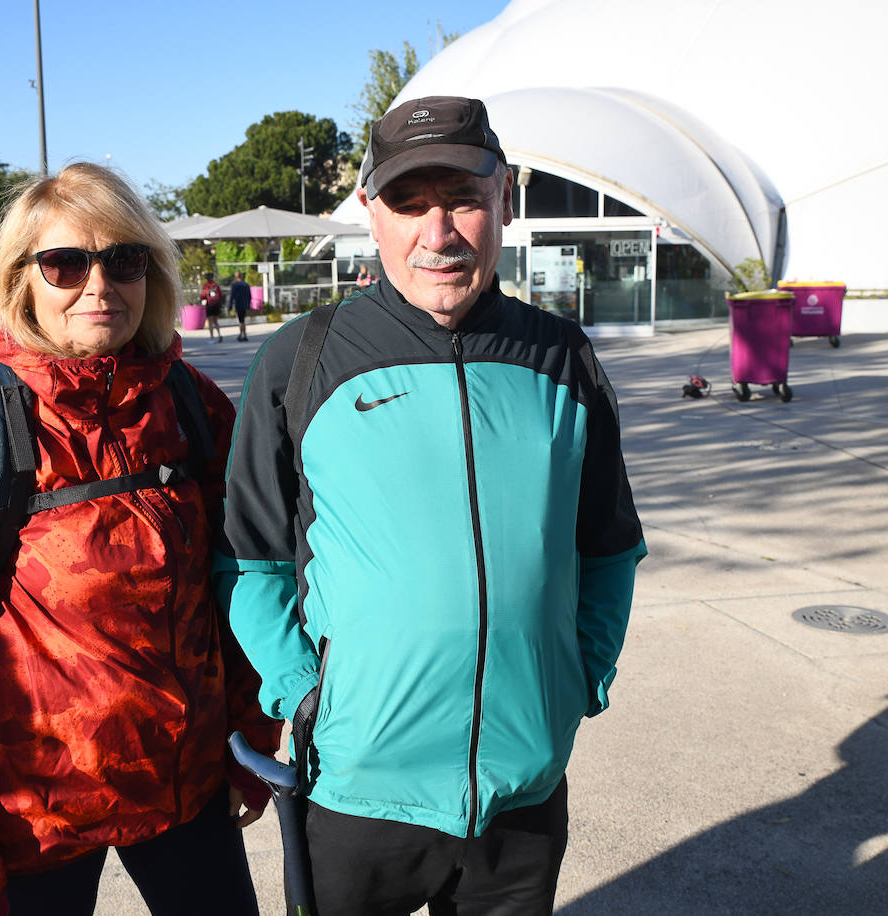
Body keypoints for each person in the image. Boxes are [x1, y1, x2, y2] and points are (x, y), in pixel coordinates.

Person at [219, 96, 647, 916]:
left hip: (522, 795)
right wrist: (305, 698)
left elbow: (610, 546)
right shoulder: (299, 360)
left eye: (462, 198)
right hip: (354, 792)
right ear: (370, 213)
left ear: (505, 200)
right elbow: (252, 562)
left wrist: (577, 680)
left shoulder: (563, 359)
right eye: (410, 203)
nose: (438, 231)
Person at [0, 161, 280, 916]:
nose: (99, 286)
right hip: (34, 818)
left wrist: (250, 743)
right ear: (22, 279)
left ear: (151, 274)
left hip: (187, 791)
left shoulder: (191, 405)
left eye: (124, 259)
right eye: (66, 263)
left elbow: (244, 582)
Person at [200, 271, 224, 342]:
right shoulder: (216, 285)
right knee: (216, 321)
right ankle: (219, 334)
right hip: (216, 305)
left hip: (209, 305)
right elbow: (221, 295)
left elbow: (202, 296)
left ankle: (212, 337)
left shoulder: (205, 286)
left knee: (210, 322)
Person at [228, 271, 250, 342]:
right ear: (242, 276)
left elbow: (232, 296)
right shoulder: (246, 285)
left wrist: (230, 305)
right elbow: (249, 296)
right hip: (244, 304)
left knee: (241, 321)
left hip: (238, 304)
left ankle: (242, 334)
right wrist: (248, 305)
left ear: (236, 277)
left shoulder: (235, 285)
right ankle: (244, 334)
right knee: (242, 320)